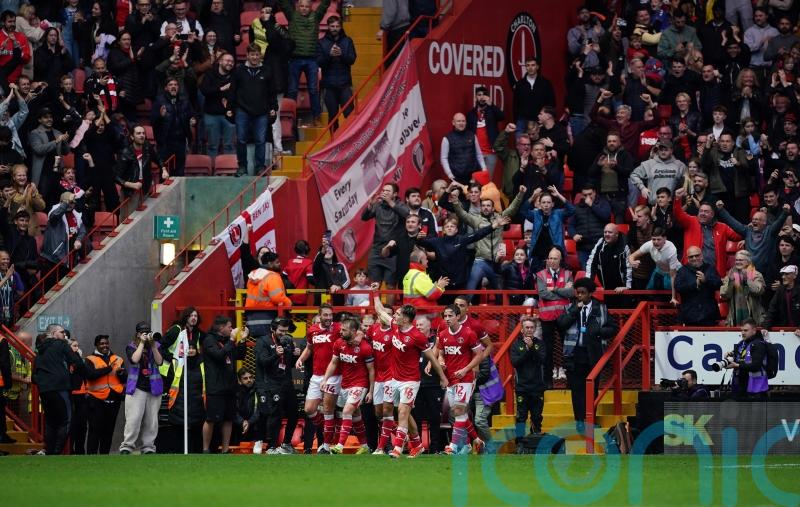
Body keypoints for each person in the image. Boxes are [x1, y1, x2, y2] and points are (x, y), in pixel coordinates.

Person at [385, 303, 447, 458]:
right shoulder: (395, 326)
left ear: (405, 318)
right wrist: (375, 294)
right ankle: (417, 444)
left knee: (403, 411)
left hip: (411, 380)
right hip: (395, 379)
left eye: (398, 314)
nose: (394, 316)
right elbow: (380, 311)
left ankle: (397, 448)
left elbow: (432, 358)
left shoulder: (417, 336)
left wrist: (443, 377)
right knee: (397, 411)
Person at [557, 277, 618, 433]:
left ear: (590, 293)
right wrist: (574, 311)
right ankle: (579, 421)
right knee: (577, 389)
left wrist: (599, 332)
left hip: (594, 354)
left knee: (593, 389)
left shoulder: (601, 308)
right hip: (574, 354)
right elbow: (561, 325)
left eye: (583, 293)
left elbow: (612, 328)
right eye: (578, 293)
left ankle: (590, 420)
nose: (580, 296)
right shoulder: (570, 308)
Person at [438, 304, 486, 455]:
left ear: (458, 317)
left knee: (458, 410)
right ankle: (475, 442)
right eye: (445, 316)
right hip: (451, 378)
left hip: (465, 378)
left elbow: (479, 354)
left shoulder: (468, 333)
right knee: (459, 414)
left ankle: (452, 447)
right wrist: (440, 360)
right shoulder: (443, 334)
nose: (447, 319)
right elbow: (440, 352)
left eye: (450, 315)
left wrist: (466, 369)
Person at [321, 317, 373, 454]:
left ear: (354, 331)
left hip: (359, 385)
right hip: (345, 385)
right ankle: (365, 446)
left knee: (346, 411)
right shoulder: (339, 343)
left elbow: (371, 371)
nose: (341, 332)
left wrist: (370, 391)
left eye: (344, 330)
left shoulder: (365, 347)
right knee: (356, 415)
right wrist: (325, 379)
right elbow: (333, 363)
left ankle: (339, 445)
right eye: (341, 329)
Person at [296, 304, 341, 454]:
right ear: (319, 315)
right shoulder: (312, 330)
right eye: (325, 315)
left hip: (333, 375)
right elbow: (309, 348)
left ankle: (326, 446)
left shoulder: (338, 328)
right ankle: (327, 429)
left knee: (328, 410)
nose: (328, 318)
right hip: (316, 375)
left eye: (330, 315)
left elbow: (354, 334)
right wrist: (300, 359)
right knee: (309, 409)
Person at [32, 324, 82, 455]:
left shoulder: (40, 351)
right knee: (66, 421)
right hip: (60, 387)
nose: (64, 335)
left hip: (45, 390)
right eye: (62, 332)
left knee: (51, 422)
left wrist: (44, 382)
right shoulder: (61, 345)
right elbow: (77, 361)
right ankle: (56, 452)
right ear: (54, 334)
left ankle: (49, 451)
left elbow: (34, 376)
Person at [280, 0, 330, 126]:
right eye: (301, 6)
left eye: (306, 6)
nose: (304, 8)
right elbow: (284, 3)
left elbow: (325, 4)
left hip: (312, 59)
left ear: (311, 7)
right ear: (298, 6)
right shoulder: (291, 15)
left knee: (313, 90)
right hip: (294, 59)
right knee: (292, 90)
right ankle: (291, 120)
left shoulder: (316, 16)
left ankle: (316, 117)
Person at [232, 44, 278, 176]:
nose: (254, 57)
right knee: (241, 139)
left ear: (260, 56)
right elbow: (232, 91)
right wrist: (230, 108)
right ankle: (242, 167)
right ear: (247, 55)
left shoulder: (267, 70)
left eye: (257, 54)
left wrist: (274, 107)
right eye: (252, 54)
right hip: (242, 111)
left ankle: (260, 168)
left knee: (260, 140)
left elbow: (272, 92)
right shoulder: (239, 70)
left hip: (261, 112)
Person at [255, 318, 300, 454]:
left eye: (286, 331)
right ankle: (272, 446)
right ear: (273, 329)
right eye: (281, 330)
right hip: (271, 384)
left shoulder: (288, 340)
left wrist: (295, 356)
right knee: (275, 415)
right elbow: (262, 362)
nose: (284, 333)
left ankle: (286, 444)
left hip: (287, 382)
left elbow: (290, 363)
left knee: (294, 413)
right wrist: (275, 354)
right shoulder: (263, 342)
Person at [201, 315, 244, 453]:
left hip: (230, 386)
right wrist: (231, 340)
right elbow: (219, 356)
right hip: (215, 387)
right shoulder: (209, 340)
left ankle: (225, 450)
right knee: (211, 419)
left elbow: (240, 355)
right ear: (221, 327)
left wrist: (242, 340)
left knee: (228, 419)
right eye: (229, 327)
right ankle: (206, 449)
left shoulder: (227, 341)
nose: (231, 329)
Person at [119, 321, 163, 454]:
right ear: (138, 334)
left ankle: (148, 447)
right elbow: (134, 359)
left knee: (152, 420)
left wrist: (153, 346)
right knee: (134, 418)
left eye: (148, 332)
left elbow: (159, 361)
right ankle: (127, 446)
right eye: (144, 332)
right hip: (136, 387)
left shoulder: (156, 345)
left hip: (153, 387)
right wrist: (142, 343)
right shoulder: (131, 346)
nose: (146, 334)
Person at [715, 201, 790, 276]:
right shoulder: (747, 231)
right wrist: (721, 210)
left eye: (757, 219)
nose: (754, 221)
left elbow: (778, 223)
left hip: (767, 274)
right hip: (749, 274)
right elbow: (733, 223)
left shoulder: (770, 231)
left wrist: (785, 213)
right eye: (753, 219)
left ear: (764, 222)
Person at [535, 248, 574, 388]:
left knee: (568, 348)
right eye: (550, 258)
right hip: (547, 317)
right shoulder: (540, 275)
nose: (551, 261)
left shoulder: (568, 273)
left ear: (560, 260)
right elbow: (543, 294)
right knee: (548, 350)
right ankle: (547, 382)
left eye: (554, 258)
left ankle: (570, 381)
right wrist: (562, 291)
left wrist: (555, 290)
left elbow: (571, 293)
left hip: (564, 316)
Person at [84, 334, 125, 454]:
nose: (105, 345)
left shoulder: (118, 359)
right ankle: (91, 455)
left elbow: (125, 379)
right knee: (95, 429)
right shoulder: (89, 359)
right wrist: (108, 368)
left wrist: (121, 374)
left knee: (109, 430)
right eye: (102, 343)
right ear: (96, 345)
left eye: (106, 343)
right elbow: (90, 375)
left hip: (114, 398)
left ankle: (104, 455)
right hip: (96, 399)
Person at [519, 186, 575, 272]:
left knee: (553, 282)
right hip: (538, 255)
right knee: (536, 281)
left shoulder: (558, 213)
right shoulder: (535, 214)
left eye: (548, 202)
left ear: (553, 204)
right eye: (543, 202)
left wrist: (558, 195)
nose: (546, 205)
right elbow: (522, 211)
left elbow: (572, 210)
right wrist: (533, 196)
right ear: (540, 204)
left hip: (554, 255)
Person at [163, 342, 205, 453]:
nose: (190, 350)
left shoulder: (203, 363)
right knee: (179, 433)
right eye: (188, 348)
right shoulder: (176, 363)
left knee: (196, 433)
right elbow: (169, 381)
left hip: (198, 403)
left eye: (193, 348)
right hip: (179, 403)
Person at [39, 192, 87, 291]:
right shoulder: (55, 212)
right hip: (53, 260)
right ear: (62, 203)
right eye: (69, 202)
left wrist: (78, 240)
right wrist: (65, 203)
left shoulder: (76, 215)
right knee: (49, 291)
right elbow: (54, 216)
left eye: (73, 202)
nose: (71, 204)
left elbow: (82, 230)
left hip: (68, 259)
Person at [509, 315, 546, 439]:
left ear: (535, 329)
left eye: (531, 327)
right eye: (527, 327)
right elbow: (516, 362)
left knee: (537, 416)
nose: (529, 330)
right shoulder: (515, 345)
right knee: (521, 416)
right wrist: (527, 350)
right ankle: (519, 442)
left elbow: (542, 360)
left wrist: (532, 348)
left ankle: (535, 442)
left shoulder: (540, 344)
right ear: (522, 329)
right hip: (522, 387)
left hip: (537, 387)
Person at [316, 16, 354, 131]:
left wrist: (341, 54)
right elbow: (318, 62)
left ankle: (351, 143)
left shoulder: (348, 41)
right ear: (328, 27)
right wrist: (329, 55)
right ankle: (334, 145)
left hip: (345, 85)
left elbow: (352, 59)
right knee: (332, 117)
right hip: (329, 86)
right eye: (332, 26)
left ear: (341, 27)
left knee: (350, 115)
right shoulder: (321, 42)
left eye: (337, 26)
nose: (335, 28)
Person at [588, 131, 634, 223]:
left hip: (619, 197)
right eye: (609, 141)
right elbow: (590, 173)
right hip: (603, 196)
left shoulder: (625, 155)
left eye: (614, 141)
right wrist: (598, 165)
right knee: (603, 223)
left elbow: (629, 172)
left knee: (619, 225)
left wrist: (616, 167)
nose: (611, 143)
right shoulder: (601, 155)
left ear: (619, 142)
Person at [244, 251, 291, 338]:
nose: (279, 264)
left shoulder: (252, 275)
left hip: (251, 318)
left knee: (259, 345)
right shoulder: (272, 276)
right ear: (270, 263)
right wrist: (289, 304)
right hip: (268, 317)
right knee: (269, 345)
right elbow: (277, 297)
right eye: (277, 262)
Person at [628, 227, 681, 305]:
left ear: (664, 239)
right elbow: (632, 256)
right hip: (659, 271)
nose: (656, 242)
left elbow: (673, 275)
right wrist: (632, 261)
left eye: (658, 239)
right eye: (654, 239)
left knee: (672, 295)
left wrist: (673, 297)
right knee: (653, 294)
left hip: (673, 272)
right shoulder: (649, 244)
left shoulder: (671, 250)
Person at [199, 51, 235, 158]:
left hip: (229, 115)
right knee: (212, 146)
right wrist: (221, 89)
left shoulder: (235, 76)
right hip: (212, 114)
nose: (230, 63)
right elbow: (205, 90)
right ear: (220, 61)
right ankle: (212, 171)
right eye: (227, 60)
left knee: (229, 145)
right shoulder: (210, 74)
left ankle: (229, 171)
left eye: (232, 61)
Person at [675, 246, 723, 326]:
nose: (694, 258)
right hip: (690, 316)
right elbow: (678, 287)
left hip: (709, 315)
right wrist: (694, 284)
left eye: (697, 255)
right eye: (691, 256)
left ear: (702, 256)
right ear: (687, 258)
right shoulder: (682, 271)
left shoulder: (710, 268)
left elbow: (719, 285)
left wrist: (706, 280)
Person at [114, 124, 168, 196]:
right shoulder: (125, 153)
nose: (142, 135)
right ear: (132, 137)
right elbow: (116, 177)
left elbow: (158, 159)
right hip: (131, 192)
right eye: (138, 133)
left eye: (143, 133)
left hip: (146, 188)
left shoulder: (147, 147)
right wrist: (131, 185)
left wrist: (164, 169)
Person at [586, 224, 632, 307]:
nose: (606, 234)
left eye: (610, 232)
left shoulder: (624, 245)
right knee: (609, 315)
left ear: (616, 234)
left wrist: (626, 287)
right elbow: (591, 263)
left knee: (624, 315)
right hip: (607, 289)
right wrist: (588, 283)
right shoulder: (600, 242)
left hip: (623, 291)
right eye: (605, 232)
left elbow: (628, 267)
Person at [630, 139, 686, 206]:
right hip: (653, 203)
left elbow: (688, 178)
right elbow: (633, 175)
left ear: (671, 151)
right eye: (661, 150)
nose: (663, 152)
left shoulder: (680, 165)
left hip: (671, 205)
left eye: (666, 150)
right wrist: (642, 187)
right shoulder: (648, 164)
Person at [29, 107, 71, 192]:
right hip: (43, 172)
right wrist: (56, 141)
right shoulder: (35, 133)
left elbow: (66, 152)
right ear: (39, 120)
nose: (49, 119)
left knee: (56, 198)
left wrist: (65, 142)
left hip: (57, 172)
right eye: (45, 117)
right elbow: (39, 149)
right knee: (44, 198)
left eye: (50, 117)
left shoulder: (57, 132)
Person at [569, 184, 611, 269]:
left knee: (601, 274)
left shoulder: (603, 203)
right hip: (583, 247)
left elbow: (606, 216)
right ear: (581, 195)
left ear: (595, 192)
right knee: (586, 275)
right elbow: (571, 225)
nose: (588, 197)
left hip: (600, 245)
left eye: (590, 194)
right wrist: (574, 235)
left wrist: (592, 205)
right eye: (585, 195)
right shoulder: (576, 208)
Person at [725, 319, 769, 399]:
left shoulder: (759, 344)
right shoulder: (741, 343)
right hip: (741, 385)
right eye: (741, 330)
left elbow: (755, 366)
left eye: (745, 330)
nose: (742, 333)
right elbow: (738, 358)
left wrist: (737, 365)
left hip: (755, 389)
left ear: (754, 331)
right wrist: (729, 357)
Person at [467, 85, 504, 178]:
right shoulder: (471, 114)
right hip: (476, 153)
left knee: (487, 180)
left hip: (490, 152)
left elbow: (502, 117)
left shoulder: (492, 111)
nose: (482, 97)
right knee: (475, 180)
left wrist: (492, 105)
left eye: (484, 95)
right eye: (479, 95)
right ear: (475, 97)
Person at [721, 250, 766, 326]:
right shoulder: (730, 275)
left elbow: (759, 291)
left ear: (748, 262)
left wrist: (747, 280)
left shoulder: (756, 275)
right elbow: (724, 295)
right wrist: (731, 281)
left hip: (753, 318)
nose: (738, 262)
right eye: (736, 260)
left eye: (741, 260)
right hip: (735, 318)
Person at [440, 112, 486, 185]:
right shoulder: (447, 138)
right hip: (456, 176)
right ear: (453, 123)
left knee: (475, 196)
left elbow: (479, 154)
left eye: (463, 121)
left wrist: (484, 168)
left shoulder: (472, 135)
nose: (461, 123)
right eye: (458, 121)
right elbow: (443, 158)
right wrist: (449, 174)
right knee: (460, 196)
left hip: (474, 175)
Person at [512, 57, 555, 134]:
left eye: (533, 65)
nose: (530, 68)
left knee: (538, 145)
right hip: (522, 120)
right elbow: (515, 104)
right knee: (520, 144)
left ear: (537, 67)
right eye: (528, 65)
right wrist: (516, 120)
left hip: (539, 120)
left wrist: (546, 119)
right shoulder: (520, 84)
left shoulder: (545, 83)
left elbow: (551, 102)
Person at [763, 265, 800, 331]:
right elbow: (772, 309)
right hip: (784, 330)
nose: (783, 277)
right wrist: (765, 327)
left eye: (787, 274)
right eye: (783, 274)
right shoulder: (780, 291)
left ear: (794, 276)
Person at [0, 10, 30, 86]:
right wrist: (1, 49)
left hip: (16, 81)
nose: (13, 24)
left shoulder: (21, 37)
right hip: (1, 80)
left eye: (14, 21)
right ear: (3, 22)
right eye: (10, 22)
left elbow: (27, 59)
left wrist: (19, 50)